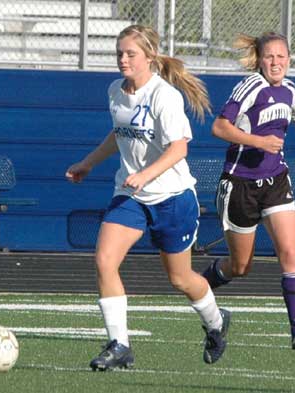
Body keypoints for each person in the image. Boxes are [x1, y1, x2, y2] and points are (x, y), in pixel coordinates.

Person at [66, 24, 231, 371]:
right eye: (119, 53)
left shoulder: (164, 95)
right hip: (130, 195)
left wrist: (145, 174)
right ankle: (119, 344)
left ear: (149, 57)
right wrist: (87, 163)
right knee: (104, 260)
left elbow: (179, 149)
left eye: (131, 54)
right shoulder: (115, 90)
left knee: (180, 279)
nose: (123, 60)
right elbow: (119, 133)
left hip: (172, 197)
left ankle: (216, 323)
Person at [201, 32, 295, 350]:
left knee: (290, 253)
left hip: (275, 181)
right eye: (269, 56)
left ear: (289, 59)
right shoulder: (251, 87)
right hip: (239, 186)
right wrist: (259, 142)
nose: (276, 62)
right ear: (260, 60)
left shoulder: (289, 89)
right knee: (240, 266)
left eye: (281, 56)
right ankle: (200, 286)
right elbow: (219, 127)